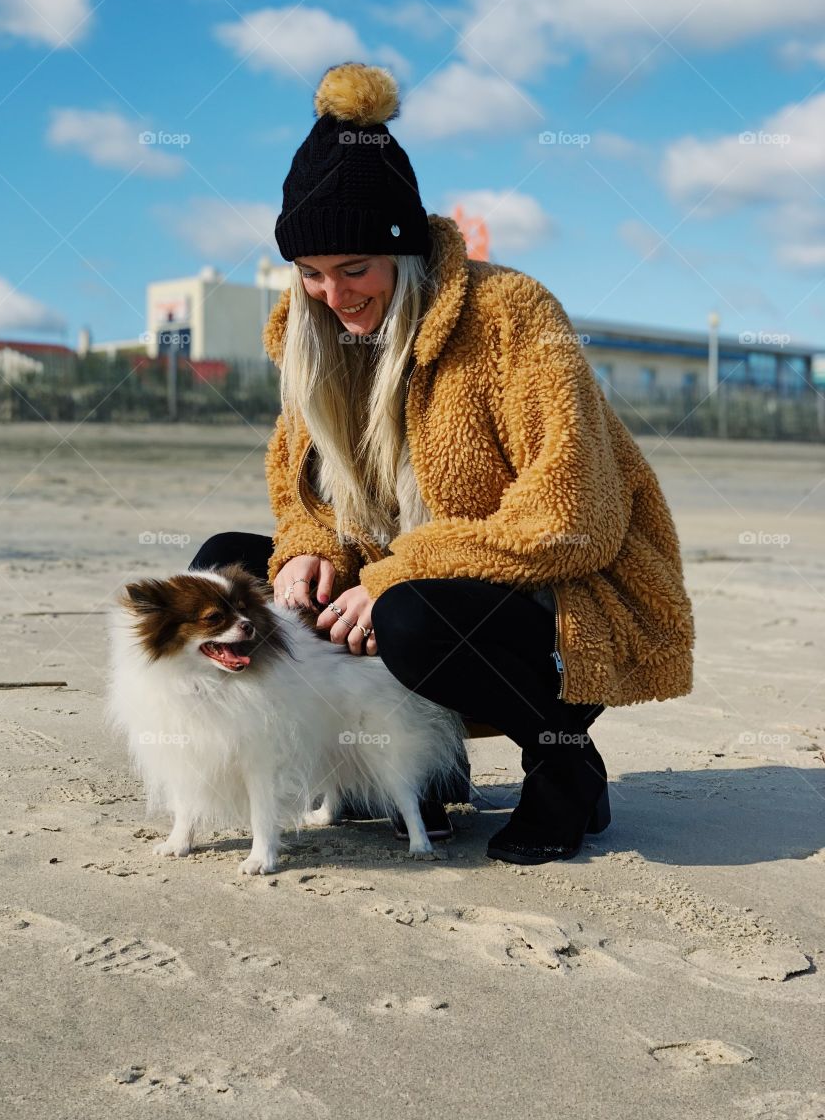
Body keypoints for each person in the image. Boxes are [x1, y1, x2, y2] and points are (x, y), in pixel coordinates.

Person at [189, 62, 695, 865]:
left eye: (355, 269)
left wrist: (395, 573)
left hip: (555, 595)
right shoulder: (310, 334)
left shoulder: (510, 313)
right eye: (312, 274)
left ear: (406, 253)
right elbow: (301, 494)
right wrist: (309, 550)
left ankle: (564, 763)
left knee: (409, 615)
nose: (334, 296)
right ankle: (398, 762)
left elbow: (574, 516)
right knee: (226, 566)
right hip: (403, 584)